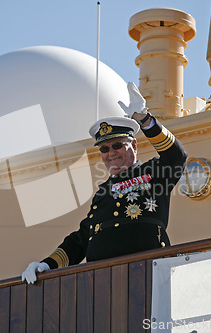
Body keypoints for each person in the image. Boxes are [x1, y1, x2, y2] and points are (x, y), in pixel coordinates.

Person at [22, 82, 187, 284]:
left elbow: (176, 156)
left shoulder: (153, 173)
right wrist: (47, 264)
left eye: (117, 145)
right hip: (101, 283)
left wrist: (145, 120)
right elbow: (83, 237)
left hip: (149, 273)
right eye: (104, 149)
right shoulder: (103, 193)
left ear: (134, 145)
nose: (111, 153)